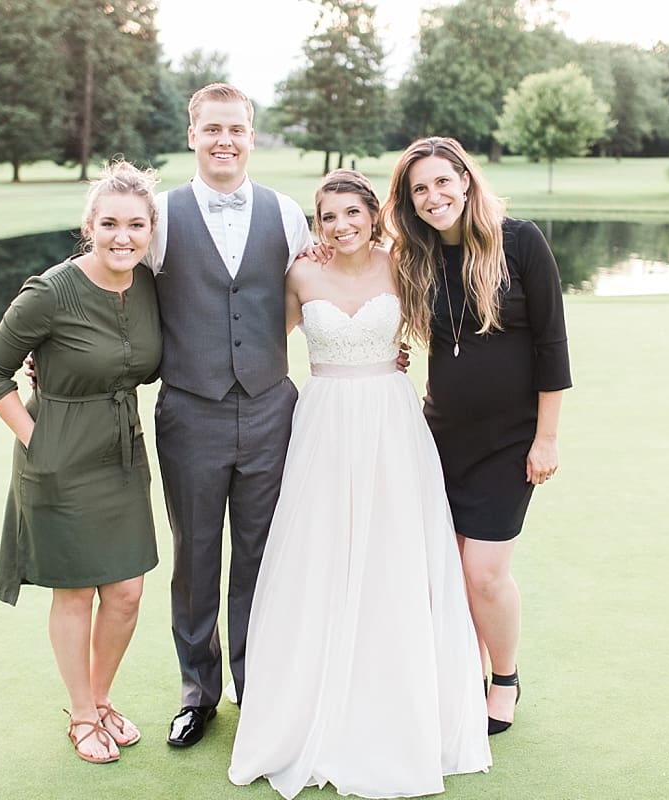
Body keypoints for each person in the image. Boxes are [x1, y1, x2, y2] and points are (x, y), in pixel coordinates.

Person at [227, 170, 491, 799]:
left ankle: (395, 699)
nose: (340, 226)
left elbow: (453, 325)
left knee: (393, 556)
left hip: (392, 425)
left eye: (352, 213)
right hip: (321, 424)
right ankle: (308, 703)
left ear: (375, 215)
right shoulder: (301, 273)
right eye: (328, 217)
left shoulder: (404, 264)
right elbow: (255, 341)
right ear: (316, 226)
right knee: (318, 555)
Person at [382, 136, 572, 736]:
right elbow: (361, 277)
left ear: (465, 180)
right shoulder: (415, 257)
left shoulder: (520, 241)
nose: (434, 196)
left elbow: (552, 346)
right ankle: (464, 673)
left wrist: (546, 439)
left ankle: (505, 678)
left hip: (510, 443)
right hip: (439, 437)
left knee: (485, 571)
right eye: (420, 189)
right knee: (450, 568)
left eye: (443, 181)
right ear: (410, 202)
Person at [0, 160, 163, 764]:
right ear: (90, 224)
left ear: (151, 229)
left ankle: (102, 699)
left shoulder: (148, 285)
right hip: (58, 456)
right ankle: (81, 714)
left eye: (136, 224)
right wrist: (38, 441)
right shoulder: (50, 290)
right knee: (77, 592)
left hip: (121, 453)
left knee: (128, 592)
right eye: (109, 223)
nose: (122, 236)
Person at [150, 83, 315, 747]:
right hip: (190, 413)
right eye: (212, 128)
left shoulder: (287, 214)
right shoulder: (158, 216)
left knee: (259, 556)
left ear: (251, 135)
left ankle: (257, 686)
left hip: (272, 410)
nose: (224, 141)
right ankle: (199, 692)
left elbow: (315, 293)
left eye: (236, 130)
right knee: (195, 557)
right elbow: (113, 290)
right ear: (192, 134)